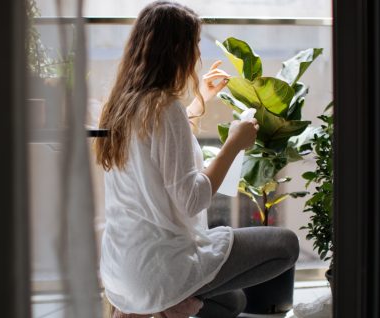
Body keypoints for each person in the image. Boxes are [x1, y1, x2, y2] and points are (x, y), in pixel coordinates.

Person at [95, 2, 299, 317]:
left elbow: (157, 152)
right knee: (286, 246)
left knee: (231, 303)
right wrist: (234, 143)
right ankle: (160, 306)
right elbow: (192, 199)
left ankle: (157, 306)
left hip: (121, 271)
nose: (197, 55)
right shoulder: (165, 108)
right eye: (194, 45)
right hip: (157, 268)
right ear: (178, 50)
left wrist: (200, 101)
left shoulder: (122, 104)